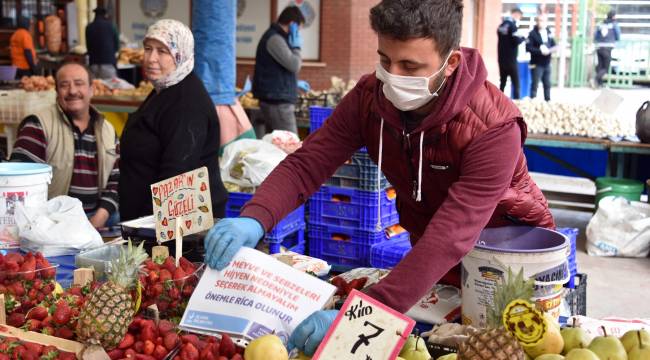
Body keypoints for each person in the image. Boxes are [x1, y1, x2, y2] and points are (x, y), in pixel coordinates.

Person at [204, 0, 554, 355]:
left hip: (508, 262)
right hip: (430, 261)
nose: (393, 75)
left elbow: (452, 234)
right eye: (385, 60)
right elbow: (307, 163)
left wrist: (360, 313)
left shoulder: (493, 128)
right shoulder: (371, 98)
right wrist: (254, 217)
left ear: (450, 64)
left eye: (410, 66)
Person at [119, 19, 227, 221]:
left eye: (162, 51)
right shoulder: (165, 89)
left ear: (181, 54)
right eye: (148, 48)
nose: (151, 58)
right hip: (147, 222)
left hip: (174, 231)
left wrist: (154, 235)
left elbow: (176, 175)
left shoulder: (187, 103)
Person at [10, 62, 120, 228]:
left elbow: (116, 182)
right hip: (51, 222)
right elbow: (21, 182)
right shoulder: (38, 125)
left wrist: (97, 221)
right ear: (56, 92)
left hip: (98, 218)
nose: (72, 91)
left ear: (91, 89)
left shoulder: (108, 131)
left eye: (79, 83)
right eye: (64, 85)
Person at [252, 6, 305, 135]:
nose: (298, 33)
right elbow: (294, 64)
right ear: (292, 25)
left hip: (275, 100)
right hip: (278, 104)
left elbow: (276, 69)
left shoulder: (277, 38)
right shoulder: (275, 39)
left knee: (277, 147)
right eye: (298, 30)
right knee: (291, 146)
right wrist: (297, 47)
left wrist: (294, 83)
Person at [497, 8, 525, 99]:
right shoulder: (513, 26)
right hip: (511, 59)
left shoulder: (501, 25)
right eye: (519, 16)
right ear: (516, 14)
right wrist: (523, 38)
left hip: (501, 58)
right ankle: (517, 101)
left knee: (503, 81)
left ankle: (499, 100)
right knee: (516, 82)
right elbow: (516, 40)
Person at [526, 14, 556, 102]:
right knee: (535, 83)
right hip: (536, 63)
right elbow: (528, 48)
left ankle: (548, 101)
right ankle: (532, 101)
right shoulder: (532, 34)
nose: (540, 22)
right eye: (539, 20)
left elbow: (554, 45)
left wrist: (551, 50)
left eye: (542, 20)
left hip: (547, 63)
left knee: (547, 84)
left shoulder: (549, 32)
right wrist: (540, 51)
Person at [86, 6, 120, 80]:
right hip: (108, 62)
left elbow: (88, 46)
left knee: (95, 87)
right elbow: (117, 44)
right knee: (109, 87)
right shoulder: (111, 26)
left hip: (93, 62)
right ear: (105, 15)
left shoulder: (89, 27)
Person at [594, 10, 621, 87]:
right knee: (606, 67)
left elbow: (596, 36)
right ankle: (595, 79)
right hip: (608, 47)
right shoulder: (614, 24)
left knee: (600, 65)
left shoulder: (601, 24)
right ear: (613, 16)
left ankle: (599, 83)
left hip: (599, 47)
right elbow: (618, 35)